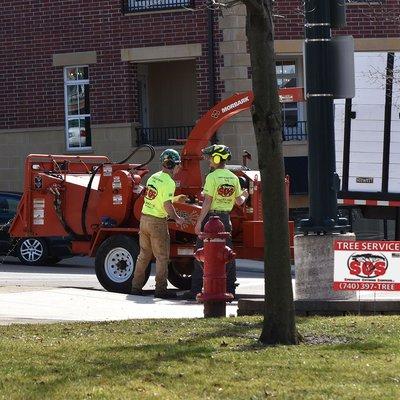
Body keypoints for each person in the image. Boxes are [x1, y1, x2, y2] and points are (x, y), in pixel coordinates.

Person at [180, 144, 249, 300]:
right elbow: (239, 202)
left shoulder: (212, 177)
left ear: (217, 158)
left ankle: (195, 289)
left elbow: (207, 202)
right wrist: (246, 194)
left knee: (200, 254)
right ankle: (231, 289)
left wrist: (198, 223)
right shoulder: (233, 178)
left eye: (211, 158)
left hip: (210, 220)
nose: (209, 160)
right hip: (225, 220)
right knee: (228, 255)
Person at [131, 149, 185, 299]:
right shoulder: (169, 182)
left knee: (143, 256)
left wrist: (176, 199)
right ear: (172, 164)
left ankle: (135, 287)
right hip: (157, 222)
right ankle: (160, 290)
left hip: (144, 220)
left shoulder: (153, 177)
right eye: (178, 164)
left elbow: (157, 198)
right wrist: (177, 218)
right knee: (162, 257)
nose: (179, 168)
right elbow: (166, 204)